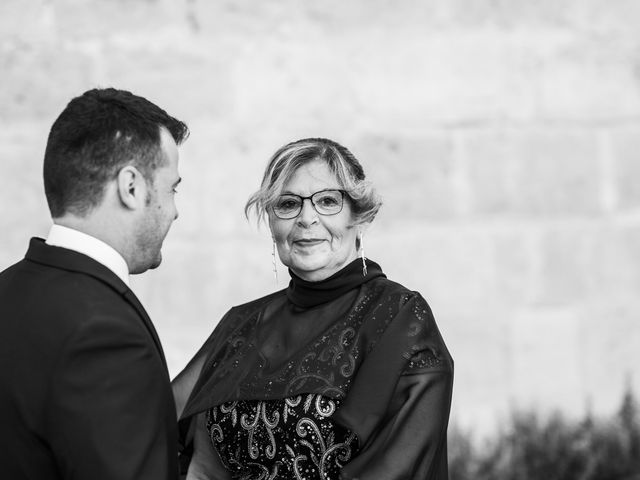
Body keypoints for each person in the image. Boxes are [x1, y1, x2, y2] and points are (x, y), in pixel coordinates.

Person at [172, 138, 454, 479]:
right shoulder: (239, 323)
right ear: (272, 224)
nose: (307, 218)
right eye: (288, 204)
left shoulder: (400, 317)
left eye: (327, 201)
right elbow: (196, 463)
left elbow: (395, 469)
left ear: (359, 217)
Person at [0, 88, 189, 480]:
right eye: (172, 188)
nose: (175, 211)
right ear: (131, 187)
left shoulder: (7, 291)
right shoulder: (105, 335)